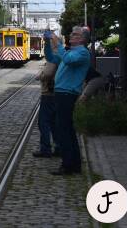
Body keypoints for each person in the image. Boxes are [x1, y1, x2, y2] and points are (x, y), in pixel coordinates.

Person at [45, 26, 91, 175]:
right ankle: (74, 164)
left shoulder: (82, 53)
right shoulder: (71, 51)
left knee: (63, 130)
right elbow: (53, 58)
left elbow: (68, 60)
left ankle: (67, 165)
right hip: (61, 93)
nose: (71, 35)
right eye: (72, 33)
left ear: (82, 39)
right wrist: (49, 43)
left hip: (67, 94)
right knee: (67, 130)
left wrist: (58, 44)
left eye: (75, 34)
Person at [32, 60, 59, 158]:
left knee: (43, 122)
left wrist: (39, 76)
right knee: (54, 122)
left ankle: (45, 149)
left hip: (48, 93)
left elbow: (47, 73)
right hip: (56, 92)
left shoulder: (53, 58)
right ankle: (58, 147)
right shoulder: (60, 55)